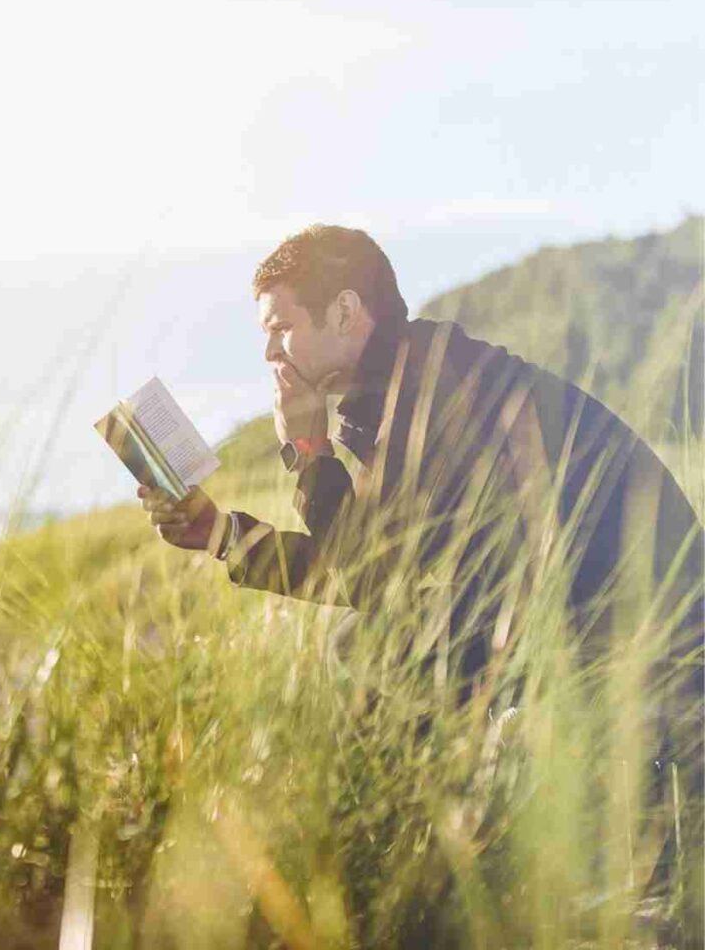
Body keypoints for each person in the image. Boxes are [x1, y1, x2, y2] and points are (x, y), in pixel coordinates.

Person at [136, 224, 703, 923]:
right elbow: (380, 568)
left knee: (372, 650)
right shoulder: (409, 383)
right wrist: (219, 533)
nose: (268, 351)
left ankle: (429, 878)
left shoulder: (435, 390)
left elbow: (369, 575)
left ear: (345, 312)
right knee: (374, 644)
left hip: (645, 650)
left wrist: (309, 451)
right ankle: (438, 864)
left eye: (281, 326)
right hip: (590, 631)